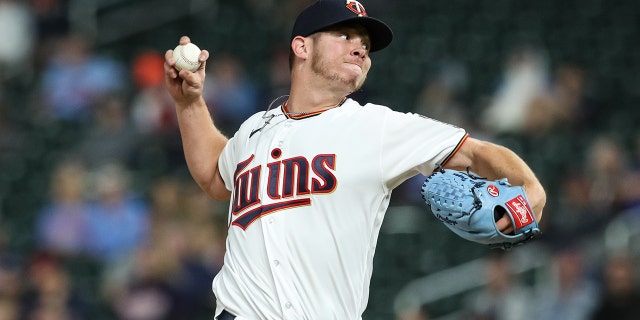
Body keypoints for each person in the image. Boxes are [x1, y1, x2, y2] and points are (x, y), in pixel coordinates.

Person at [163, 0, 547, 319]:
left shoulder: (376, 127)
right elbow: (215, 176)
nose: (360, 47)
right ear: (302, 47)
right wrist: (189, 103)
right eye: (345, 35)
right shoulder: (253, 130)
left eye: (365, 43)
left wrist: (530, 190)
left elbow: (478, 151)